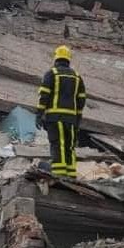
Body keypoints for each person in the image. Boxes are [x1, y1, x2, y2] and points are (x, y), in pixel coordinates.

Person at [35, 45, 86, 178]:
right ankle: (71, 175)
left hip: (55, 117)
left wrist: (39, 115)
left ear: (56, 59)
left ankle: (59, 175)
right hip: (72, 120)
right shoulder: (77, 77)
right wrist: (78, 119)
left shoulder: (51, 74)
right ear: (69, 59)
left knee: (58, 145)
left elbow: (44, 96)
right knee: (69, 147)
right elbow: (81, 100)